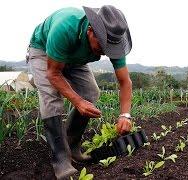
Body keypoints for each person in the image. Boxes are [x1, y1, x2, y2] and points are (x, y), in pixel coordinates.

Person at [27, 5, 133, 179]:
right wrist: (77, 101)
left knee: (90, 93)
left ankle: (72, 146)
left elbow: (125, 81)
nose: (107, 53)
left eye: (110, 49)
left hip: (75, 58)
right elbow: (53, 74)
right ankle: (60, 159)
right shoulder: (65, 27)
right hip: (44, 51)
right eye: (102, 46)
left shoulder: (113, 40)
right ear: (91, 30)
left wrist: (125, 115)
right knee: (52, 98)